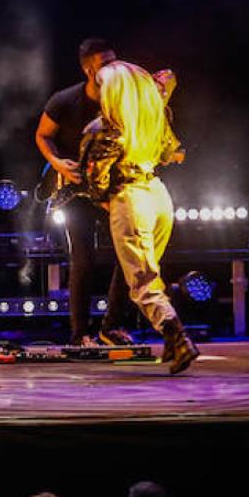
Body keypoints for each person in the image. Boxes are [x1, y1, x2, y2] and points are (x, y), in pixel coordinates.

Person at [78, 61, 198, 374]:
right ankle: (172, 342)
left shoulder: (107, 127)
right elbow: (169, 78)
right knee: (150, 274)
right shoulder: (151, 116)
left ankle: (179, 336)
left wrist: (102, 199)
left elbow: (95, 181)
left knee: (142, 282)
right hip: (158, 194)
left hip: (129, 198)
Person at [36, 38, 138, 346]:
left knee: (129, 256)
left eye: (115, 62)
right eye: (105, 65)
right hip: (76, 192)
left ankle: (112, 326)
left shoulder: (123, 102)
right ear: (87, 69)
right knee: (83, 260)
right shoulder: (64, 101)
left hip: (110, 191)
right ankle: (80, 333)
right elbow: (42, 136)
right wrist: (58, 164)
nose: (113, 69)